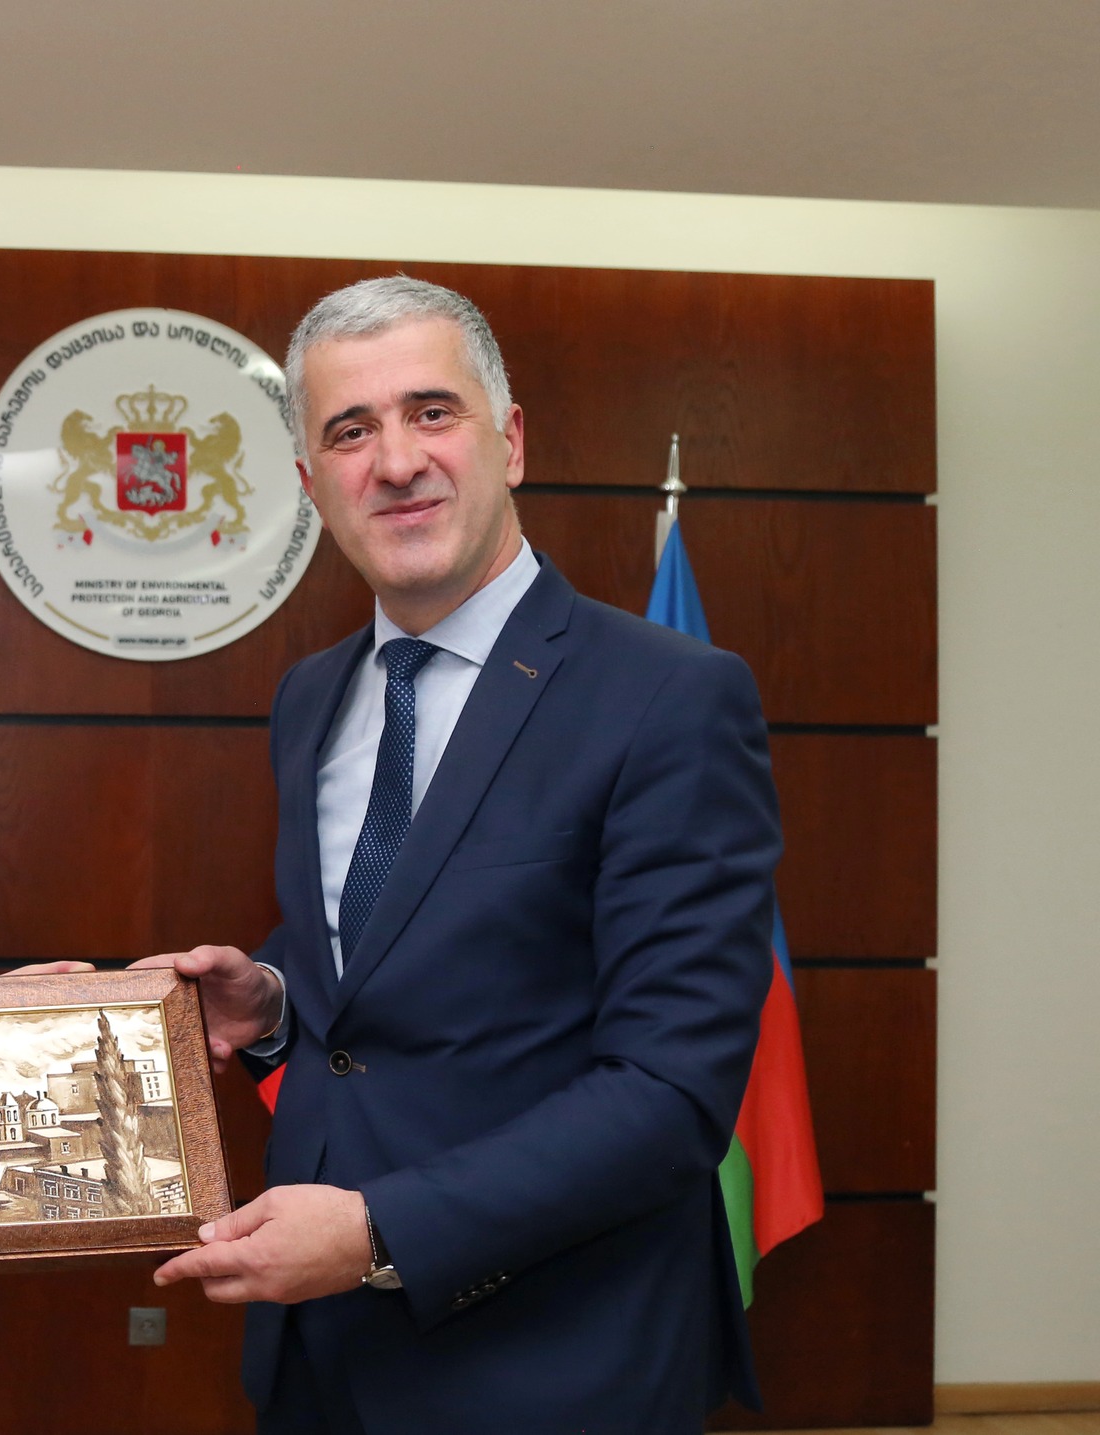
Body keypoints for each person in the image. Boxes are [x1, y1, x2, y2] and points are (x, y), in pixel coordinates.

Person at [142, 278, 782, 1431]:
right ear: (311, 485)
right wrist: (274, 999)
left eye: (430, 412)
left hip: (559, 1358)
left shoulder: (668, 698)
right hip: (317, 1353)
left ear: (510, 441)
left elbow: (670, 1089)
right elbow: (389, 959)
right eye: (350, 431)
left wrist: (377, 1231)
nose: (395, 462)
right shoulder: (310, 697)